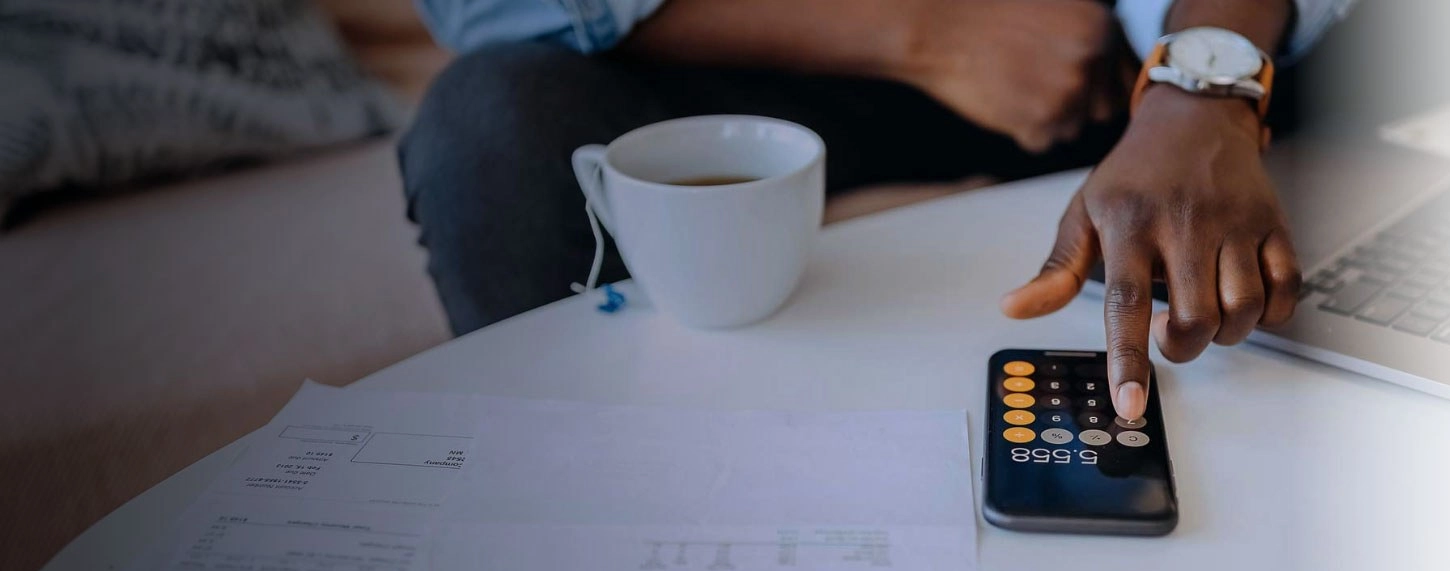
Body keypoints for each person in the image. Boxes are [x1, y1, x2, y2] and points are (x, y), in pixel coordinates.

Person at [400, 0, 1348, 421]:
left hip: (1133, 49)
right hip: (779, 48)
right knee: (492, 123)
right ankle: (556, 488)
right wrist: (926, 32)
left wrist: (1202, 84)